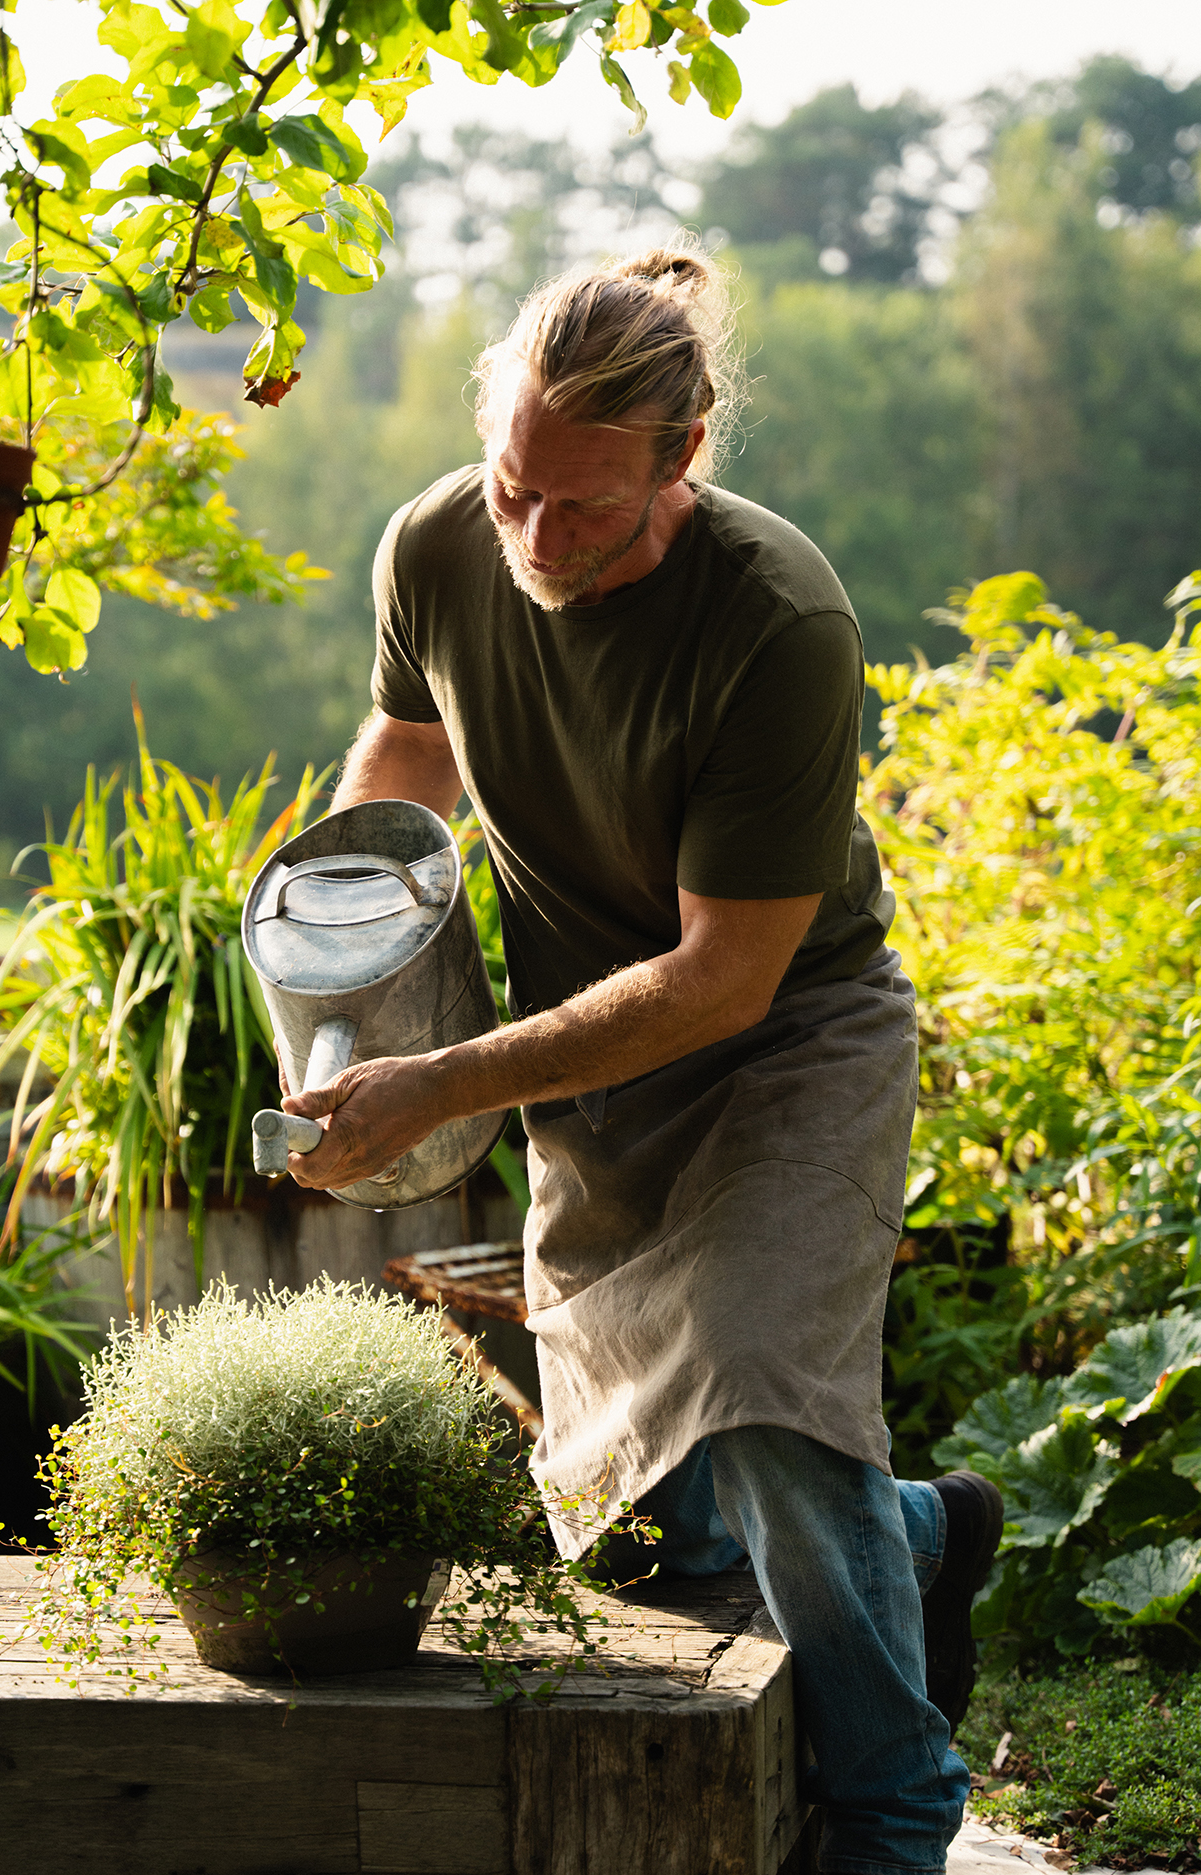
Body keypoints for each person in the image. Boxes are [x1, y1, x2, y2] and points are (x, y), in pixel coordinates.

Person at [282, 243, 1003, 1875]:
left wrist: (444, 1078)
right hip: (590, 1043)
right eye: (512, 484)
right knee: (636, 1521)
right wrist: (322, 959)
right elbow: (404, 756)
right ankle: (916, 1539)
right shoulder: (441, 544)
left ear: (681, 463)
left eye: (580, 509)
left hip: (783, 1034)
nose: (532, 538)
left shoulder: (775, 616)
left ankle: (894, 1807)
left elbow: (722, 976)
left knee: (756, 1398)